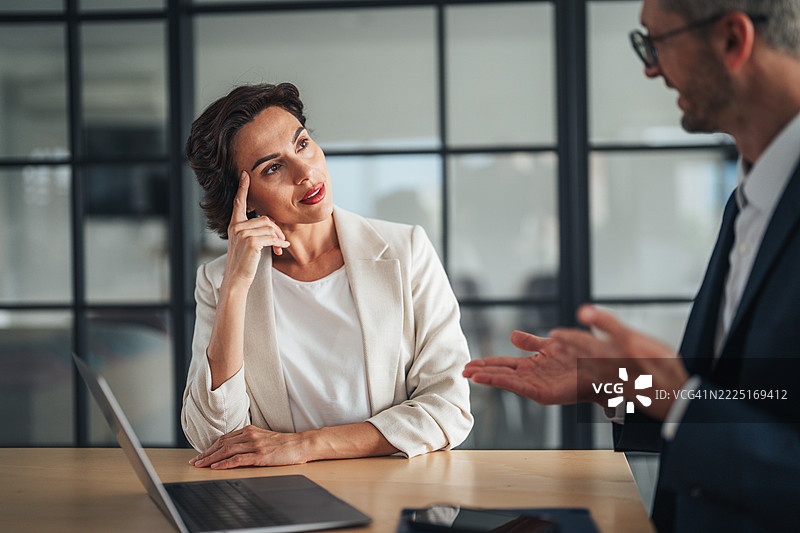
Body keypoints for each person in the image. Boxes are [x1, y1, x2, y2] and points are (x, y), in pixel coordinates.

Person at [464, 1, 800, 531]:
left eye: (656, 42)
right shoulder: (749, 202)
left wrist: (681, 400)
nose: (651, 67)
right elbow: (743, 399)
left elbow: (704, 408)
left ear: (734, 41)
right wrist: (614, 384)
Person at [182, 82, 473, 469]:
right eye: (273, 167)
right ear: (243, 199)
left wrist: (306, 445)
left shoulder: (407, 251)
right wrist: (235, 287)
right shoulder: (218, 281)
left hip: (395, 494)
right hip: (280, 500)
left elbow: (449, 407)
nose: (305, 172)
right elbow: (214, 439)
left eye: (302, 145)